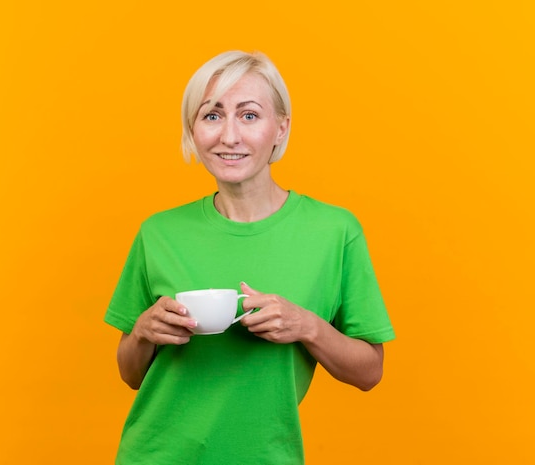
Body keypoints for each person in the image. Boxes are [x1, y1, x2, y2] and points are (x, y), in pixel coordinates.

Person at [104, 50, 395, 465]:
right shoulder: (159, 233)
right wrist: (144, 332)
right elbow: (130, 374)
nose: (229, 136)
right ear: (193, 129)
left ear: (281, 128)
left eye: (249, 115)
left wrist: (307, 326)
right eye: (212, 115)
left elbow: (370, 373)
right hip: (154, 454)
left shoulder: (335, 232)